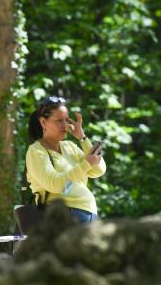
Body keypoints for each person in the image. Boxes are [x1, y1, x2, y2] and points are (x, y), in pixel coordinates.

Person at [25, 96, 105, 224]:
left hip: (89, 214)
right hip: (63, 217)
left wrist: (82, 137)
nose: (65, 126)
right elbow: (55, 184)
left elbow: (99, 170)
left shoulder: (69, 146)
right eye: (59, 121)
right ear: (43, 122)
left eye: (66, 120)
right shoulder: (36, 151)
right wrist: (86, 164)